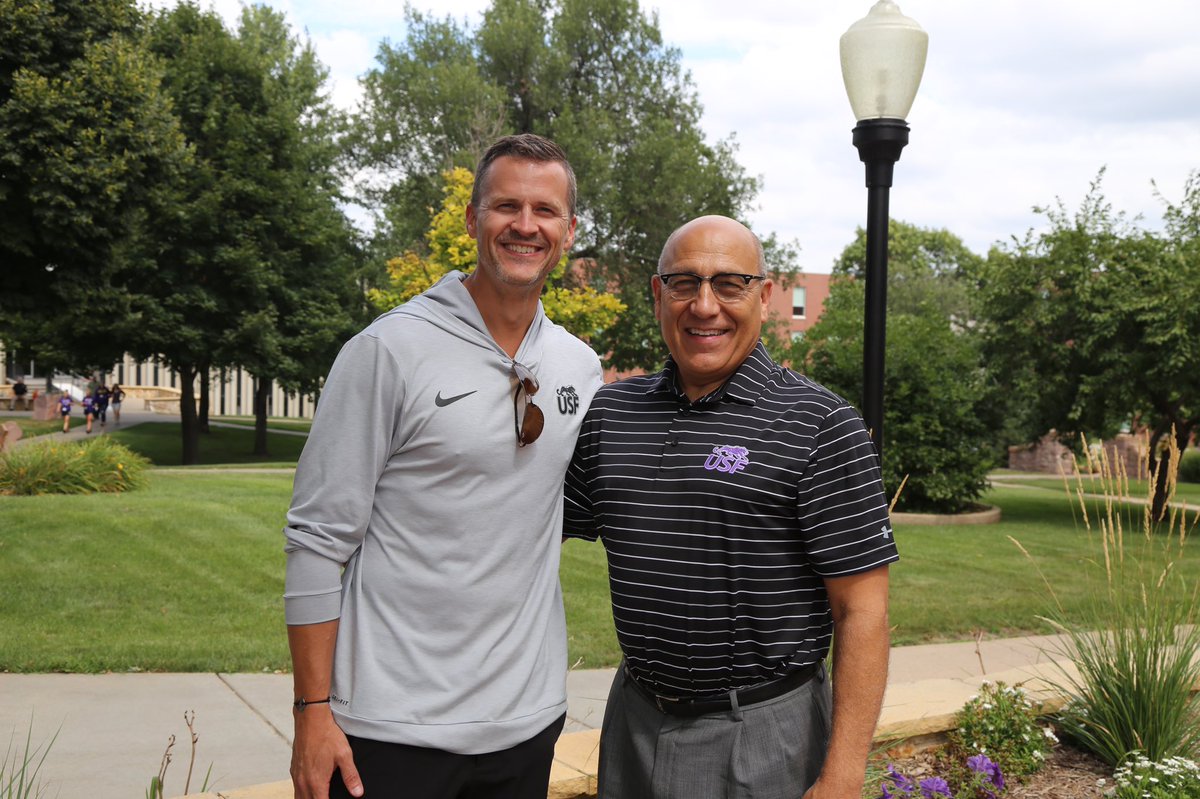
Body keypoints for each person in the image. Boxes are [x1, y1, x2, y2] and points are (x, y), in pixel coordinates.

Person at [283, 133, 604, 799]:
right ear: (471, 219)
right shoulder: (387, 351)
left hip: (527, 721)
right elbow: (317, 540)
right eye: (505, 205)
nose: (525, 225)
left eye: (545, 210)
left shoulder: (580, 365)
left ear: (570, 230)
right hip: (390, 729)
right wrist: (312, 713)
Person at [563, 215, 899, 799]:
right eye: (684, 283)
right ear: (657, 295)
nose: (704, 305)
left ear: (765, 296)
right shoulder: (610, 417)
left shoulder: (821, 425)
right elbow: (527, 530)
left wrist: (843, 775)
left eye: (730, 284)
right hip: (634, 718)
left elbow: (862, 614)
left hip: (765, 731)